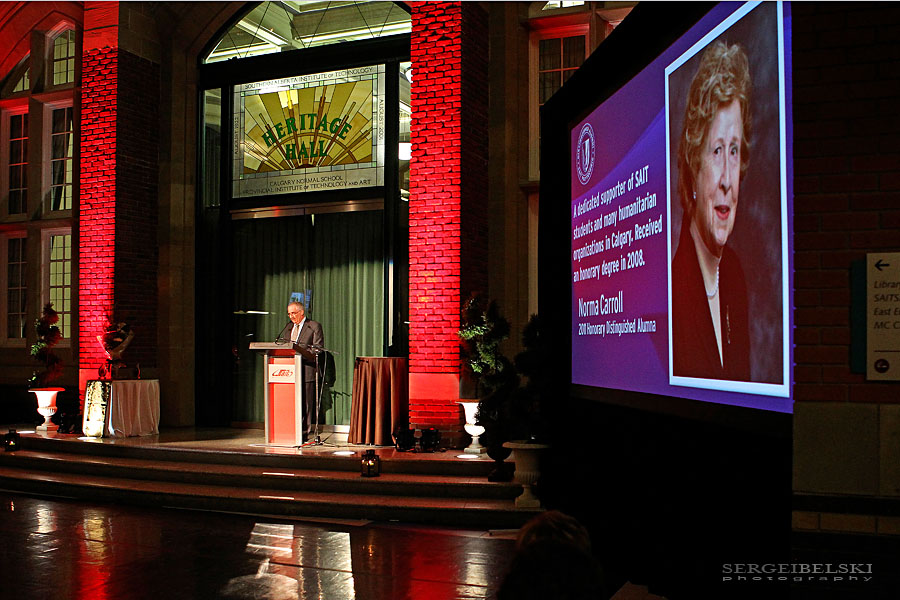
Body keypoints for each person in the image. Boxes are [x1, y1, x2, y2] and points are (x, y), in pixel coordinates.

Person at [671, 40, 752, 382]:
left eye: (734, 151)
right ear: (693, 162)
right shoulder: (671, 286)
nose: (726, 181)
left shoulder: (733, 272)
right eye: (716, 150)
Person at [278, 301, 324, 439]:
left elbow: (318, 348)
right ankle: (290, 428)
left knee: (306, 403)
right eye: (289, 314)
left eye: (293, 313)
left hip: (307, 369)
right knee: (292, 401)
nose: (291, 316)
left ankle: (305, 432)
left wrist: (303, 353)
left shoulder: (313, 326)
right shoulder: (288, 327)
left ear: (301, 312)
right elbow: (284, 346)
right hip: (290, 370)